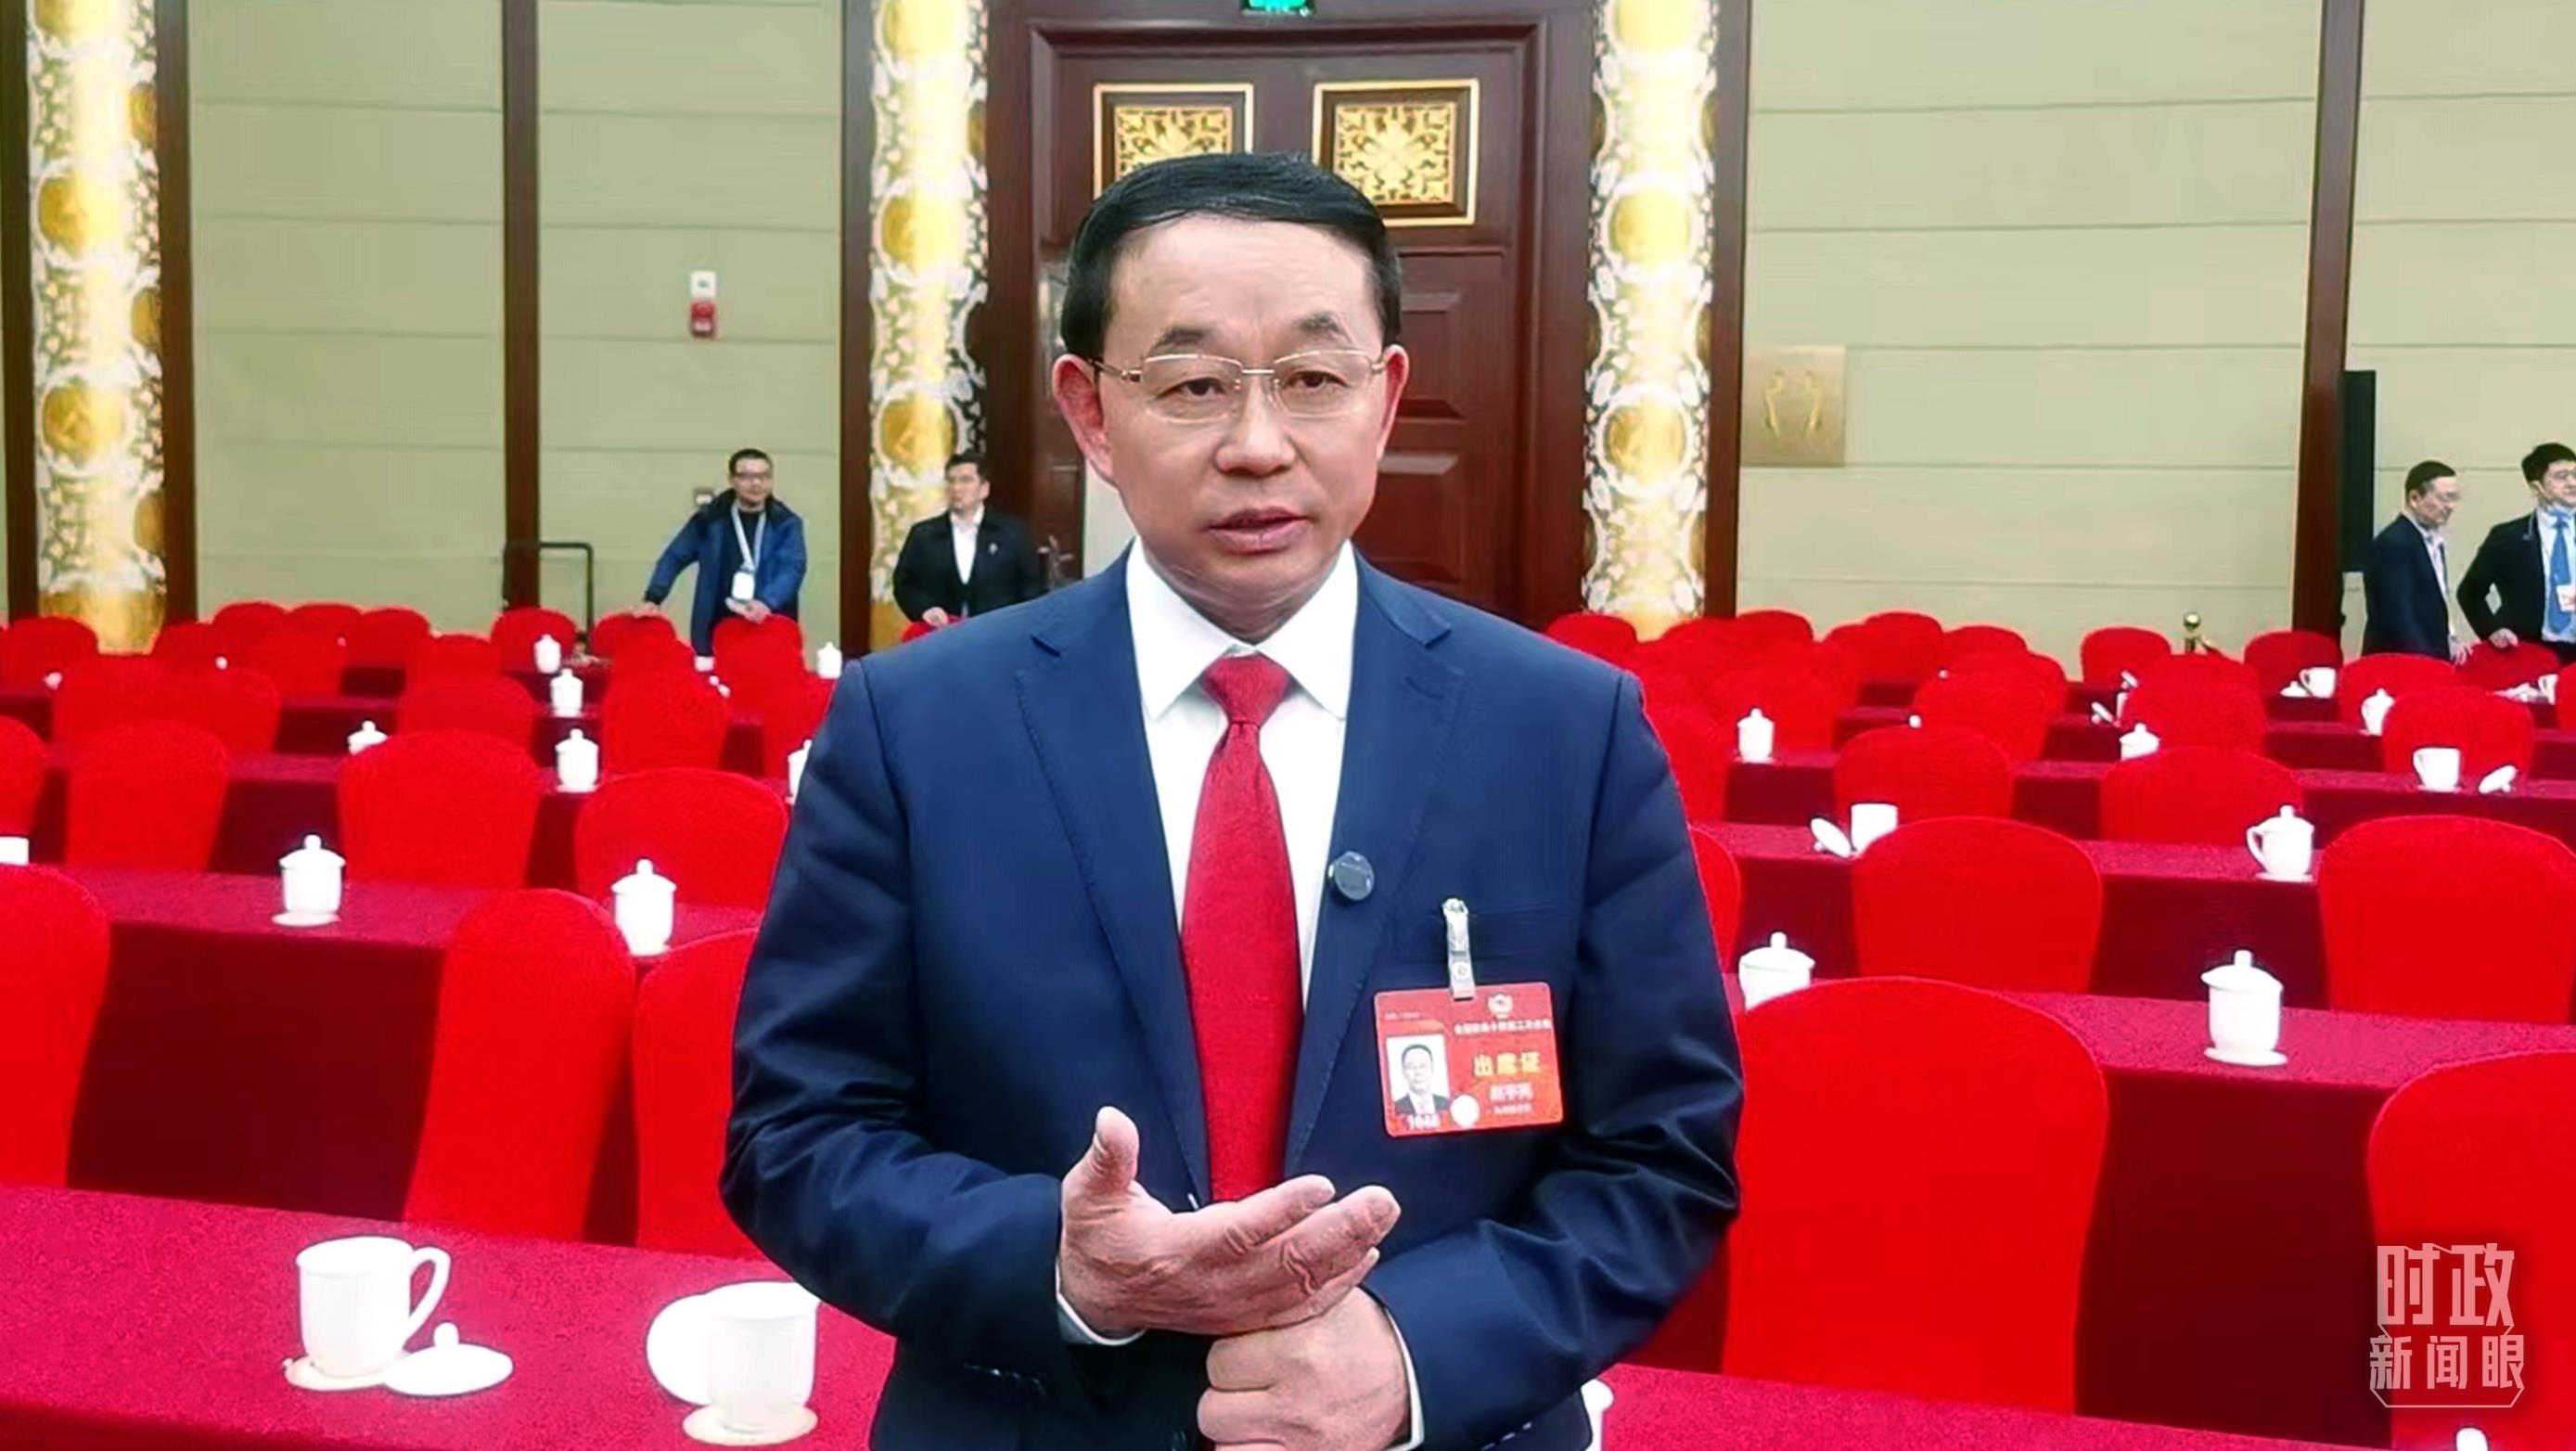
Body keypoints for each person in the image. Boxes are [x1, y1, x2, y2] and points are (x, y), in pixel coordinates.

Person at [724, 152, 1741, 1451]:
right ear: (1092, 414)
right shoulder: (917, 726)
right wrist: (1061, 1268)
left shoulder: (1564, 731)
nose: (1258, 446)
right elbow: (799, 1134)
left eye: (1312, 379)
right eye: (1194, 385)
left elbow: (1661, 1155)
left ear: (1385, 399)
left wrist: (1413, 1357)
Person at [636, 448, 807, 654]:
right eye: (747, 476)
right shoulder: (709, 520)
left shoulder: (786, 523)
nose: (756, 483)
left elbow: (793, 567)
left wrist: (767, 602)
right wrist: (654, 597)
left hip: (768, 619)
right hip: (716, 624)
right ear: (732, 480)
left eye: (764, 476)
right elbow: (674, 557)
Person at [891, 452, 1044, 625]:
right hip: (940, 634)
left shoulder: (1012, 533)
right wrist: (925, 609)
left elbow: (1031, 589)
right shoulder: (923, 535)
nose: (956, 488)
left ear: (984, 489)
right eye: (951, 481)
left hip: (998, 634)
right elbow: (904, 585)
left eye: (966, 480)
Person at [2459, 442, 2576, 664]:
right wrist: (2492, 630)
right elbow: (2470, 592)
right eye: (2562, 477)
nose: (2572, 483)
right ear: (2537, 488)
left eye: (2575, 474)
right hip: (2526, 650)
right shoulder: (2508, 537)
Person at [2361, 459, 2466, 661]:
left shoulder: (2433, 539)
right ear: (2415, 498)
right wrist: (2425, 662)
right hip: (2401, 660)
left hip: (2430, 654)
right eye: (2444, 498)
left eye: (2454, 499)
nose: (2450, 506)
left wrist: (2451, 638)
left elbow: (2439, 597)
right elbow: (2398, 615)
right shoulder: (2393, 543)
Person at [1390, 1045, 1449, 1121]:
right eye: (1411, 1067)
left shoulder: (1447, 1104)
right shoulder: (1395, 1108)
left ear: (1432, 1069)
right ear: (1403, 1072)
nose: (1418, 1072)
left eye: (1423, 1066)